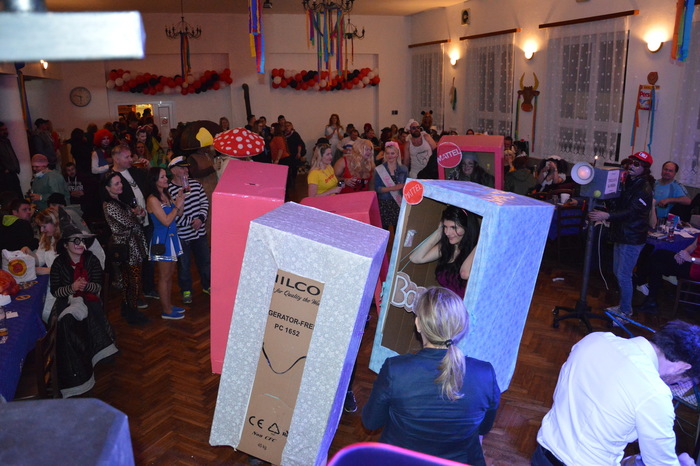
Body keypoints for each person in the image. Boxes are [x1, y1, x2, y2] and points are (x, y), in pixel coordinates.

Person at [362, 287, 500, 465]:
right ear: (461, 326)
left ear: (418, 324)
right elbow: (484, 428)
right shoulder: (485, 374)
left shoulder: (395, 370)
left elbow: (371, 422)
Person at [533, 320, 700, 466]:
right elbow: (659, 462)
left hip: (542, 454)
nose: (673, 384)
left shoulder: (594, 339)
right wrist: (683, 462)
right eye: (681, 380)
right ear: (682, 367)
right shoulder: (655, 393)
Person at [50, 224, 118, 398]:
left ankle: (84, 360)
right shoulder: (59, 263)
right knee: (67, 321)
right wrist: (72, 288)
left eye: (82, 241)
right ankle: (76, 369)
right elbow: (56, 292)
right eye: (75, 241)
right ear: (65, 245)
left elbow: (97, 287)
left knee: (86, 314)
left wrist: (84, 286)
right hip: (65, 301)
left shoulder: (91, 259)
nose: (80, 244)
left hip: (89, 299)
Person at [589, 151, 654, 317]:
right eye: (631, 162)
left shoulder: (644, 189)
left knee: (624, 275)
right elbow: (617, 204)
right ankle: (622, 307)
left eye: (637, 164)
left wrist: (607, 216)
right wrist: (610, 190)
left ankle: (626, 311)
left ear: (645, 169)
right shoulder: (629, 182)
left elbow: (632, 212)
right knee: (619, 273)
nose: (632, 165)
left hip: (631, 238)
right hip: (621, 234)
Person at [102, 171, 149, 325]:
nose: (120, 185)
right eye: (116, 184)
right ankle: (132, 312)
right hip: (127, 248)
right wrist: (137, 214)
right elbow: (129, 222)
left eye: (120, 182)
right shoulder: (109, 205)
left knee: (131, 281)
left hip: (132, 245)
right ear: (107, 188)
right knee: (132, 280)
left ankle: (129, 309)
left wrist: (139, 214)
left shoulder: (120, 201)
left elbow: (137, 220)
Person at [410, 205, 480, 298]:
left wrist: (480, 243)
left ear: (467, 228)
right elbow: (415, 258)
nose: (447, 232)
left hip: (464, 306)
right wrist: (439, 231)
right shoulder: (449, 247)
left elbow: (464, 274)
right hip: (445, 304)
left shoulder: (477, 251)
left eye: (453, 228)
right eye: (445, 227)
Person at [167, 156, 211, 304]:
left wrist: (200, 219)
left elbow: (204, 202)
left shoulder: (196, 184)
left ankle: (207, 285)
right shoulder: (168, 190)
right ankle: (186, 290)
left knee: (205, 262)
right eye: (182, 168)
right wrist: (190, 222)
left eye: (186, 167)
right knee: (184, 265)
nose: (186, 170)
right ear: (173, 171)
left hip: (199, 232)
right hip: (182, 235)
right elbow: (171, 213)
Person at [146, 167, 185, 320]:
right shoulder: (152, 199)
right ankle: (166, 310)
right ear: (154, 180)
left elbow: (179, 214)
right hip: (162, 240)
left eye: (165, 176)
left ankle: (169, 305)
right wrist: (177, 205)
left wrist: (180, 200)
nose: (166, 179)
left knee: (169, 276)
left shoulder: (165, 194)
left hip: (172, 237)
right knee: (164, 276)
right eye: (162, 177)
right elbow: (166, 221)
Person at [372, 141, 407, 230]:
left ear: (397, 154)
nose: (390, 156)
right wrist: (394, 188)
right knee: (383, 230)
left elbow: (407, 187)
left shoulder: (404, 169)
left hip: (399, 203)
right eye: (387, 153)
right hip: (384, 203)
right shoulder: (379, 169)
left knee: (398, 231)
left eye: (392, 153)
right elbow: (378, 188)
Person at [0, 121, 22, 197]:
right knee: (9, 196)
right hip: (4, 176)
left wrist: (16, 167)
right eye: (2, 130)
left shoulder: (6, 141)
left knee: (17, 193)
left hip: (12, 172)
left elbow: (12, 155)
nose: (5, 131)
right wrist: (4, 169)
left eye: (5, 129)